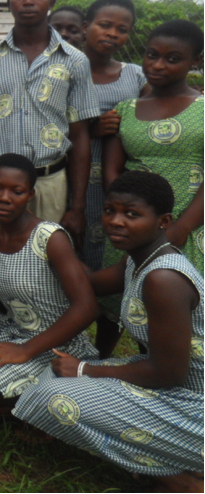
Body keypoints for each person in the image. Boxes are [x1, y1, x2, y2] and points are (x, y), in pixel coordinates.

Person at [14, 171, 204, 494]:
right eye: (109, 211)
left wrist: (86, 369)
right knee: (51, 378)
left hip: (192, 405)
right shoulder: (138, 259)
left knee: (54, 397)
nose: (115, 221)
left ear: (163, 221)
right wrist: (46, 238)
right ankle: (167, 465)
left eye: (132, 214)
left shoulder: (164, 279)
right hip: (169, 390)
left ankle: (178, 481)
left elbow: (169, 372)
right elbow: (90, 282)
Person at [0, 0, 100, 275]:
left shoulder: (75, 61)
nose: (27, 1)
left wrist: (77, 207)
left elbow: (80, 136)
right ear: (9, 3)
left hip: (49, 182)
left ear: (51, 1)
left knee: (45, 269)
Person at [0, 154, 99, 407]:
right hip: (11, 328)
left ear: (30, 194)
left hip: (53, 343)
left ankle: (40, 408)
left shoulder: (49, 238)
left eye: (16, 191)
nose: (4, 198)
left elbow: (87, 308)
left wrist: (24, 350)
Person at [103, 21, 204, 277]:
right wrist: (126, 214)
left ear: (195, 61)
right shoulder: (125, 109)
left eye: (172, 59)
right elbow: (112, 169)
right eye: (152, 55)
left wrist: (181, 227)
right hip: (131, 226)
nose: (157, 65)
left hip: (187, 226)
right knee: (118, 300)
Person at [82, 0, 147, 271]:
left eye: (122, 30)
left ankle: (111, 310)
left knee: (113, 247)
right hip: (73, 177)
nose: (112, 34)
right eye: (105, 24)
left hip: (117, 178)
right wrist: (90, 129)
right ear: (86, 25)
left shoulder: (135, 75)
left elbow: (154, 116)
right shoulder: (63, 71)